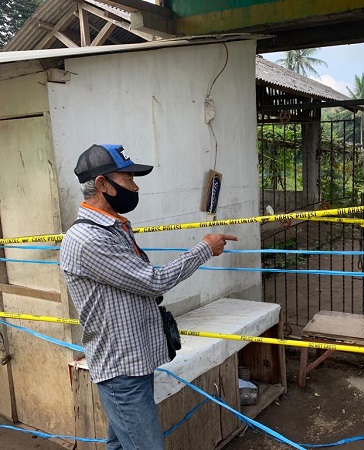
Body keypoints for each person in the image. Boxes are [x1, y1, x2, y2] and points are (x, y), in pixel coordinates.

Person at [59, 144, 237, 450]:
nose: (135, 186)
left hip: (133, 362)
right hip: (121, 371)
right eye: (128, 179)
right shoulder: (89, 238)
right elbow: (153, 281)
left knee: (119, 444)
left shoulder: (113, 228)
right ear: (102, 184)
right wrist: (204, 248)